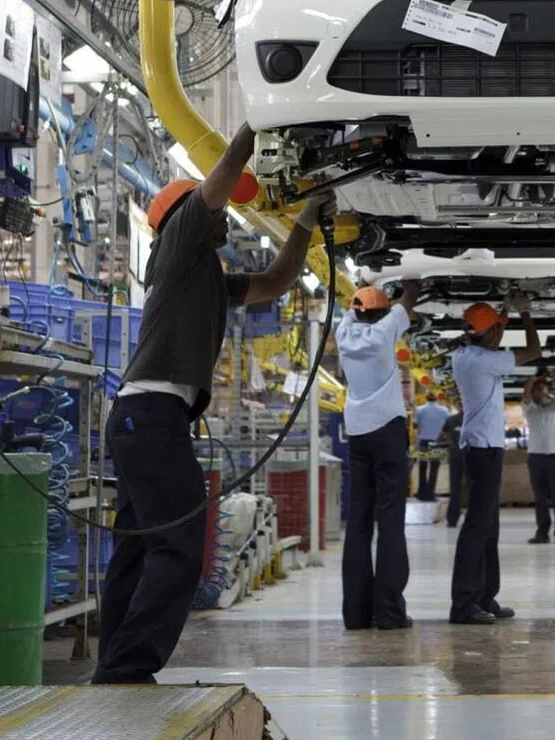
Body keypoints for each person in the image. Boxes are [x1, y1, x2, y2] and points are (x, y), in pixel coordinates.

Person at [94, 124, 330, 684]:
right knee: (178, 545)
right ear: (182, 221)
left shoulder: (204, 276)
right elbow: (216, 185)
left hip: (140, 418)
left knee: (138, 547)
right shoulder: (178, 248)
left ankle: (114, 665)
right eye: (211, 214)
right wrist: (256, 125)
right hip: (151, 419)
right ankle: (127, 667)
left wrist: (304, 222)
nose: (224, 219)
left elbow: (275, 281)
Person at [449, 295, 542, 625]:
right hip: (483, 450)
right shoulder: (481, 360)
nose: (500, 336)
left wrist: (504, 311)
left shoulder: (466, 353)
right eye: (497, 331)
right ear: (485, 335)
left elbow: (490, 332)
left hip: (483, 447)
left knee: (488, 526)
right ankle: (464, 603)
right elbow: (533, 351)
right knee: (477, 527)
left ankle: (485, 596)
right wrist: (525, 313)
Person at [337, 280, 421, 631]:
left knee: (357, 523)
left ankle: (355, 614)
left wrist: (366, 286)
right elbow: (410, 297)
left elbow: (352, 311)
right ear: (384, 311)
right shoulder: (385, 331)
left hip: (357, 434)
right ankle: (388, 613)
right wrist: (414, 279)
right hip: (387, 431)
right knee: (389, 522)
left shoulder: (344, 333)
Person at [523, 367, 555, 545]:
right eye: (537, 390)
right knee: (540, 498)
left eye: (543, 389)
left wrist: (554, 376)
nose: (541, 392)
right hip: (536, 458)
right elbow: (526, 395)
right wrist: (534, 379)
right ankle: (542, 532)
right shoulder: (530, 409)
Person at [414, 391, 449, 502]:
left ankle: (421, 493)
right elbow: (446, 427)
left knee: (422, 467)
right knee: (434, 468)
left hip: (423, 441)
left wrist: (417, 441)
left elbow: (416, 426)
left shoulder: (419, 410)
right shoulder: (444, 411)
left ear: (426, 398)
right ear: (437, 398)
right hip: (437, 442)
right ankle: (430, 494)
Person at [443, 398, 465, 527]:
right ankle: (474, 518)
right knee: (473, 488)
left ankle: (452, 519)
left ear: (458, 405)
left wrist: (451, 441)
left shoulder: (451, 420)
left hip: (456, 456)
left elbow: (442, 435)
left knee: (455, 488)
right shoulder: (474, 419)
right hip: (471, 457)